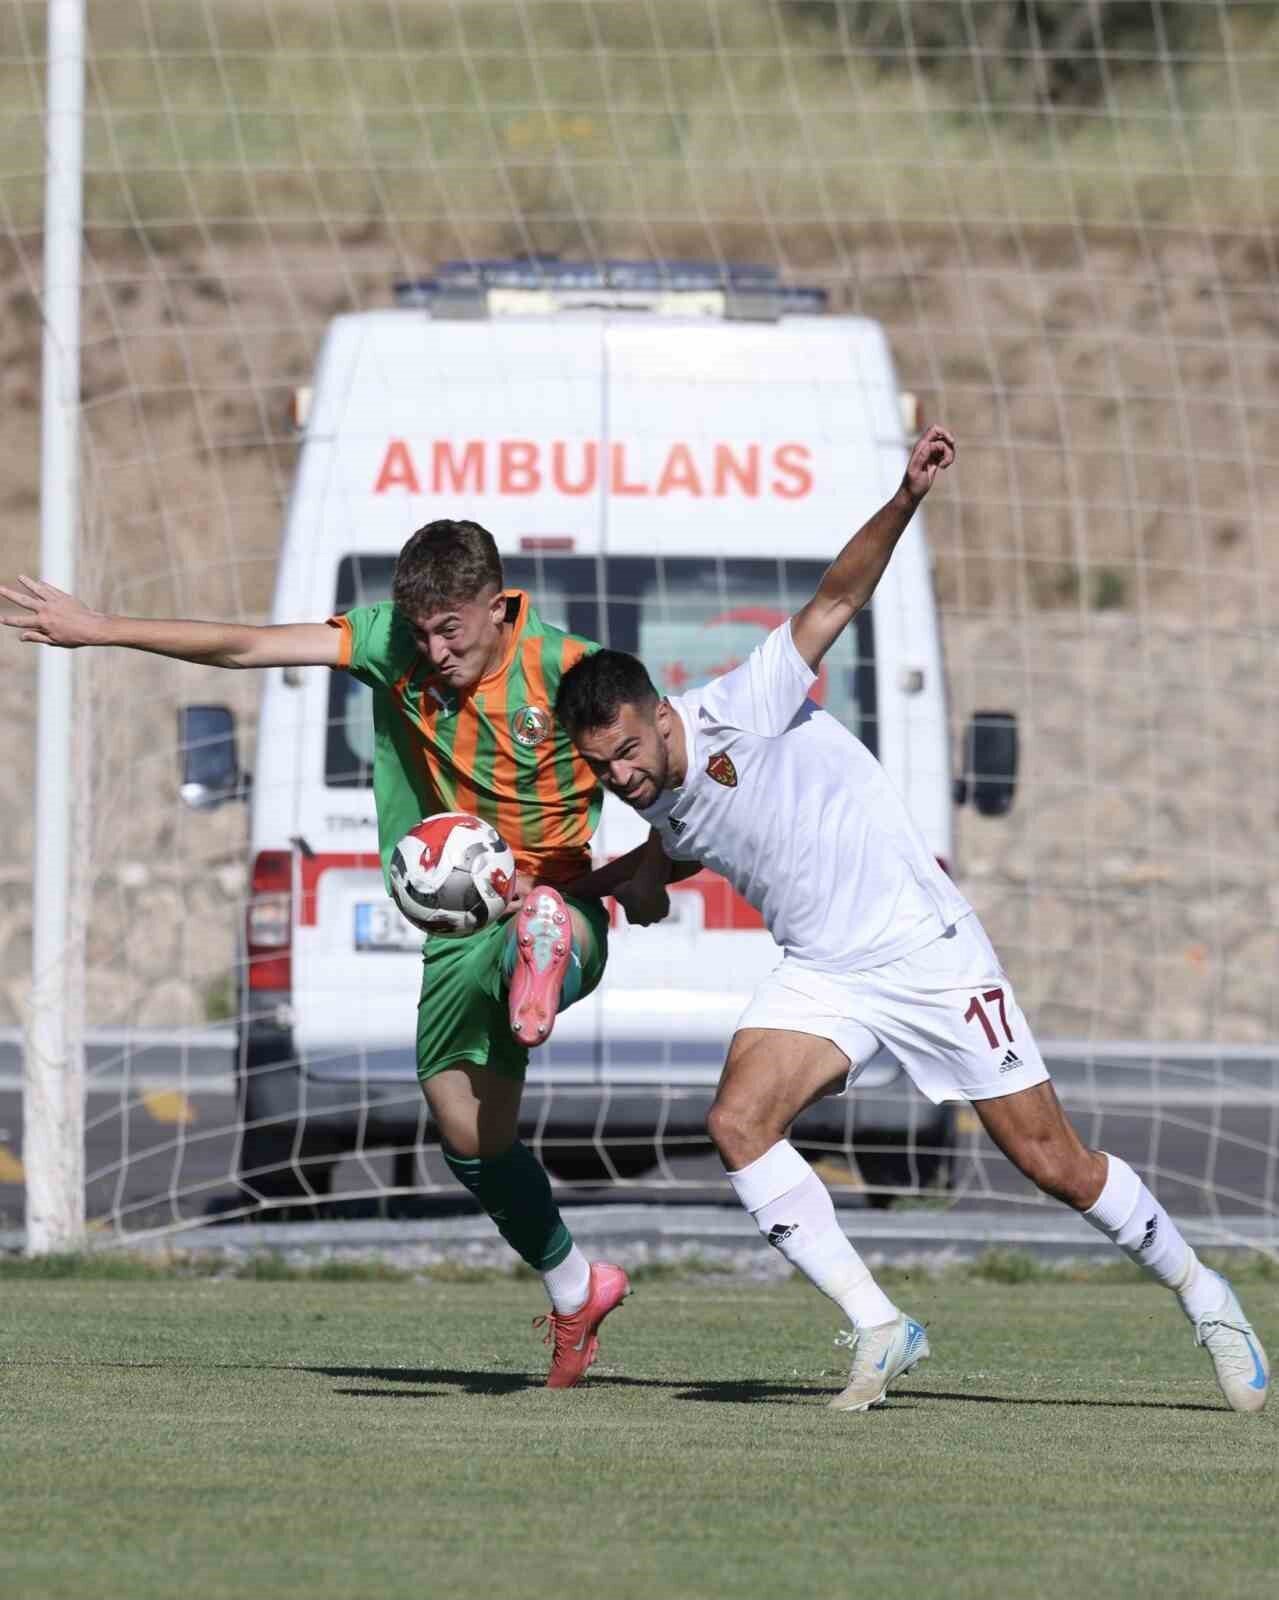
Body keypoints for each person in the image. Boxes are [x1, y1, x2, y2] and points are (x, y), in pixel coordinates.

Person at [554, 425, 1270, 1415]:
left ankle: (1208, 1297)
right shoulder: (657, 797)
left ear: (658, 714)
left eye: (627, 751)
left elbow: (837, 597)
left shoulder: (741, 704)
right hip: (824, 971)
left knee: (1050, 1163)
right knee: (737, 1119)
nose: (619, 776)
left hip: (925, 949)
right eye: (600, 768)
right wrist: (566, 887)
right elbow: (658, 861)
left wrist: (905, 497)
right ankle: (882, 1325)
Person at [1, 519, 666, 1387]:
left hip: (563, 901)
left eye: (450, 631)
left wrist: (646, 876)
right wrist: (100, 629)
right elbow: (245, 645)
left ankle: (540, 944)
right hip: (460, 927)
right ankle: (578, 1287)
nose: (432, 651)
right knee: (468, 1143)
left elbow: (658, 766)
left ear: (497, 606)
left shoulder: (571, 670)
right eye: (420, 631)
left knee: (548, 919)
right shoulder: (391, 642)